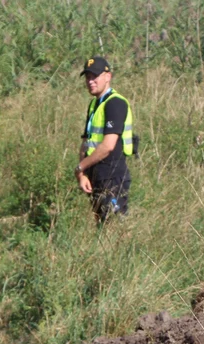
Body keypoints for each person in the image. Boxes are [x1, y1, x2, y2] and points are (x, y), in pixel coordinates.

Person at [74, 56, 136, 222]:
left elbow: (108, 146)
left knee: (116, 225)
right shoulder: (95, 104)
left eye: (95, 76)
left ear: (108, 76)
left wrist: (80, 167)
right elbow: (86, 141)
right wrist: (83, 174)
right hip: (95, 174)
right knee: (102, 226)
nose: (90, 81)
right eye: (87, 77)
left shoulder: (115, 103)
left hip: (112, 175)